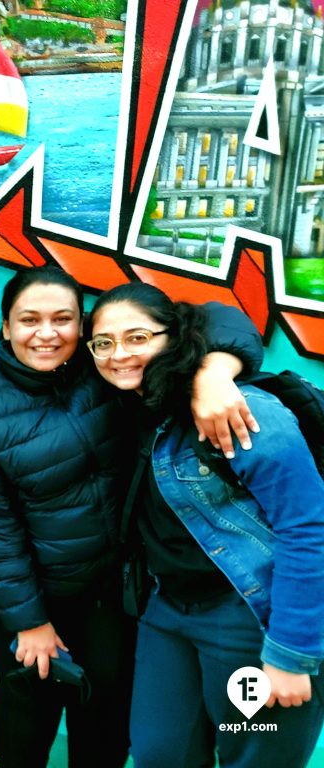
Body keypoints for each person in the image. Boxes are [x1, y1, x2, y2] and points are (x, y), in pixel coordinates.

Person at [0, 266, 264, 768]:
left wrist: (215, 370)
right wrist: (30, 621)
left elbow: (216, 319)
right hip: (31, 588)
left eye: (64, 319)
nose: (47, 333)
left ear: (84, 326)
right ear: (6, 327)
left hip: (112, 582)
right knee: (30, 697)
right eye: (29, 319)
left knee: (107, 704)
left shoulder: (107, 366)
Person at [87, 282, 324, 768]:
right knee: (159, 753)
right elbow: (224, 317)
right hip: (167, 613)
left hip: (249, 616)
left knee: (254, 757)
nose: (119, 355)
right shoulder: (133, 406)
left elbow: (310, 529)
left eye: (137, 337)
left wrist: (290, 654)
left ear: (173, 339)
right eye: (104, 343)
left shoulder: (241, 411)